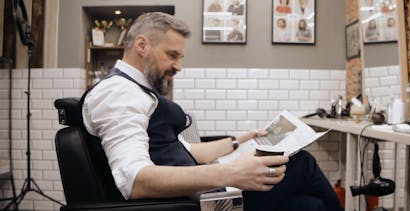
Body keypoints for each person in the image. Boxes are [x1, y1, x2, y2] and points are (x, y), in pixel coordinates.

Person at [82, 12, 342, 211]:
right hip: (201, 203)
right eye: (172, 55)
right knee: (303, 164)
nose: (179, 66)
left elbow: (187, 151)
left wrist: (242, 140)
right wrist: (232, 172)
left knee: (309, 205)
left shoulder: (137, 91)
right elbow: (135, 180)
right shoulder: (118, 93)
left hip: (201, 193)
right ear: (142, 45)